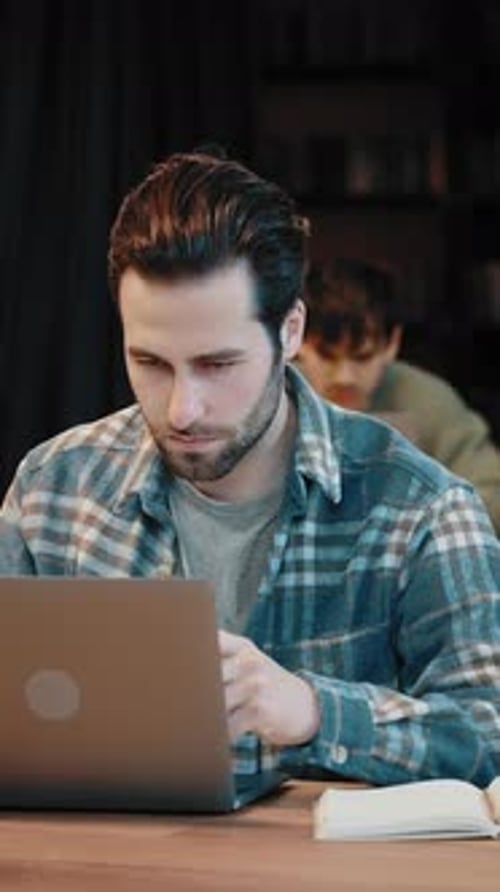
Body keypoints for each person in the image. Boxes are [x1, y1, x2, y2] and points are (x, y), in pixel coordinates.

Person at [1, 150, 500, 788]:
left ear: (291, 331)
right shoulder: (52, 489)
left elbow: (486, 737)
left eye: (218, 364)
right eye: (150, 363)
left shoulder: (423, 508)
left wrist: (315, 712)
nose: (183, 408)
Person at [297, 258, 500, 533]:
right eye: (326, 356)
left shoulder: (426, 401)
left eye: (362, 357)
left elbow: (491, 493)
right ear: (297, 340)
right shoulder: (269, 395)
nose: (345, 376)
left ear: (392, 343)